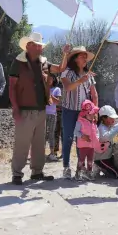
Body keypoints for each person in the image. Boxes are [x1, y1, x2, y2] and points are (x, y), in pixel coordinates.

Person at [8, 31, 55, 185]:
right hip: (24, 109)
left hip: (41, 109)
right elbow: (12, 87)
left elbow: (60, 68)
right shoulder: (18, 63)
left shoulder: (44, 63)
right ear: (28, 46)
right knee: (22, 143)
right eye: (37, 45)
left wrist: (66, 54)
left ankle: (37, 172)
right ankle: (17, 173)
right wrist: (15, 107)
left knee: (39, 144)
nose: (40, 48)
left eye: (41, 45)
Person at [59, 44, 98, 179]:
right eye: (82, 56)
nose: (85, 58)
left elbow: (94, 94)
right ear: (75, 59)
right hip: (69, 110)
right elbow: (68, 87)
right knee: (68, 138)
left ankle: (79, 168)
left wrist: (95, 110)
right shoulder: (67, 72)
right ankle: (66, 167)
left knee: (82, 140)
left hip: (84, 114)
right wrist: (80, 80)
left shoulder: (89, 75)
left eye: (86, 56)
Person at [94, 105, 118, 179]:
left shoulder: (108, 126)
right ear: (103, 118)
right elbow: (106, 137)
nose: (113, 120)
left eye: (114, 118)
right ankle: (98, 166)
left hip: (109, 156)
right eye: (111, 118)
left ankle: (101, 168)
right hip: (102, 158)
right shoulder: (101, 128)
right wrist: (117, 127)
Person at [73, 99, 100, 180]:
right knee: (81, 159)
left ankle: (89, 173)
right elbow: (75, 132)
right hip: (83, 145)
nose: (93, 115)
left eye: (94, 114)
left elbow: (97, 132)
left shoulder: (93, 122)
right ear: (85, 114)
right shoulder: (80, 121)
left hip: (91, 145)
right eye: (91, 114)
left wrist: (97, 138)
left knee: (90, 160)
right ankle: (78, 173)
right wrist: (82, 136)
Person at [45, 72, 61, 161]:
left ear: (54, 79)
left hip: (52, 114)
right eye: (47, 78)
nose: (49, 80)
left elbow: (57, 102)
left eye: (50, 78)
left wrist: (49, 94)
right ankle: (40, 153)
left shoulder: (57, 89)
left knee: (51, 134)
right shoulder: (43, 88)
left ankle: (52, 153)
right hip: (42, 114)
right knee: (42, 135)